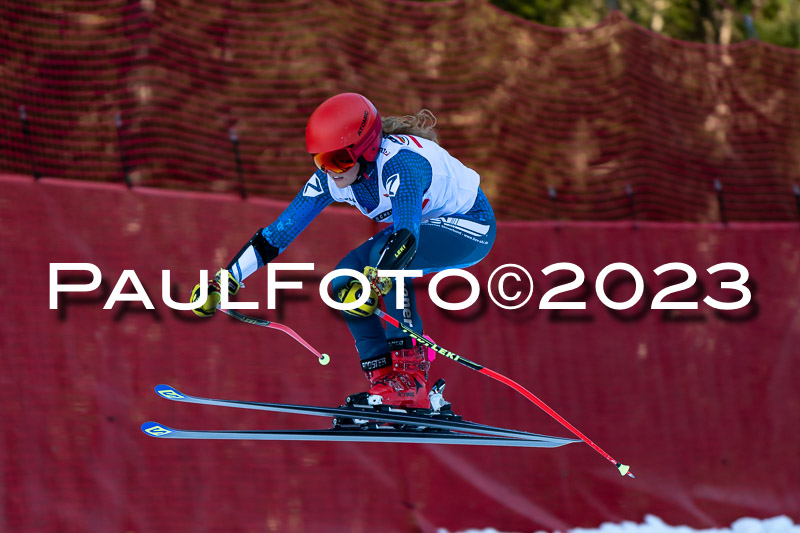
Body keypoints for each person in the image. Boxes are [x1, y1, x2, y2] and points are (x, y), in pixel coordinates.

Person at [191, 92, 495, 409]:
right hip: (422, 228)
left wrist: (374, 285)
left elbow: (406, 235)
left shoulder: (402, 165)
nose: (331, 171)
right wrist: (223, 282)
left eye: (339, 160)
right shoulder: (331, 179)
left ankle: (412, 376)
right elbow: (276, 235)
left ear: (367, 150)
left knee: (383, 259)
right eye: (321, 160)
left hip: (470, 226)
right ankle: (384, 380)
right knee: (342, 279)